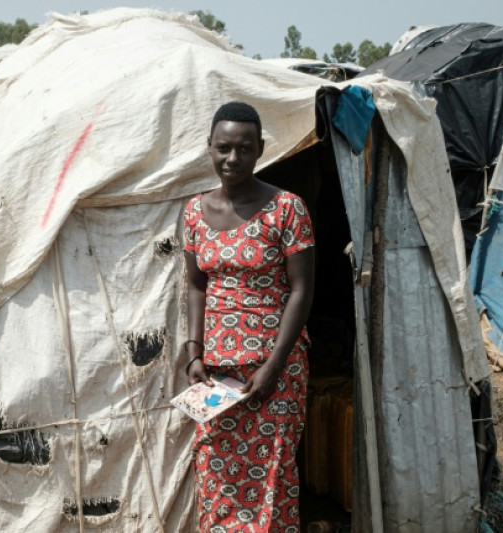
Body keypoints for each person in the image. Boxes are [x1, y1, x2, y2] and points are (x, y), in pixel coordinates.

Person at [182, 101, 315, 533]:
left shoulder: (286, 209)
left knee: (271, 473)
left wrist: (274, 366)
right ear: (209, 147)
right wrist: (194, 355)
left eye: (243, 148)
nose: (232, 158)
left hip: (274, 371)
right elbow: (196, 284)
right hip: (216, 376)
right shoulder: (193, 212)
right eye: (223, 148)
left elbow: (302, 289)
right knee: (216, 470)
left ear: (260, 149)